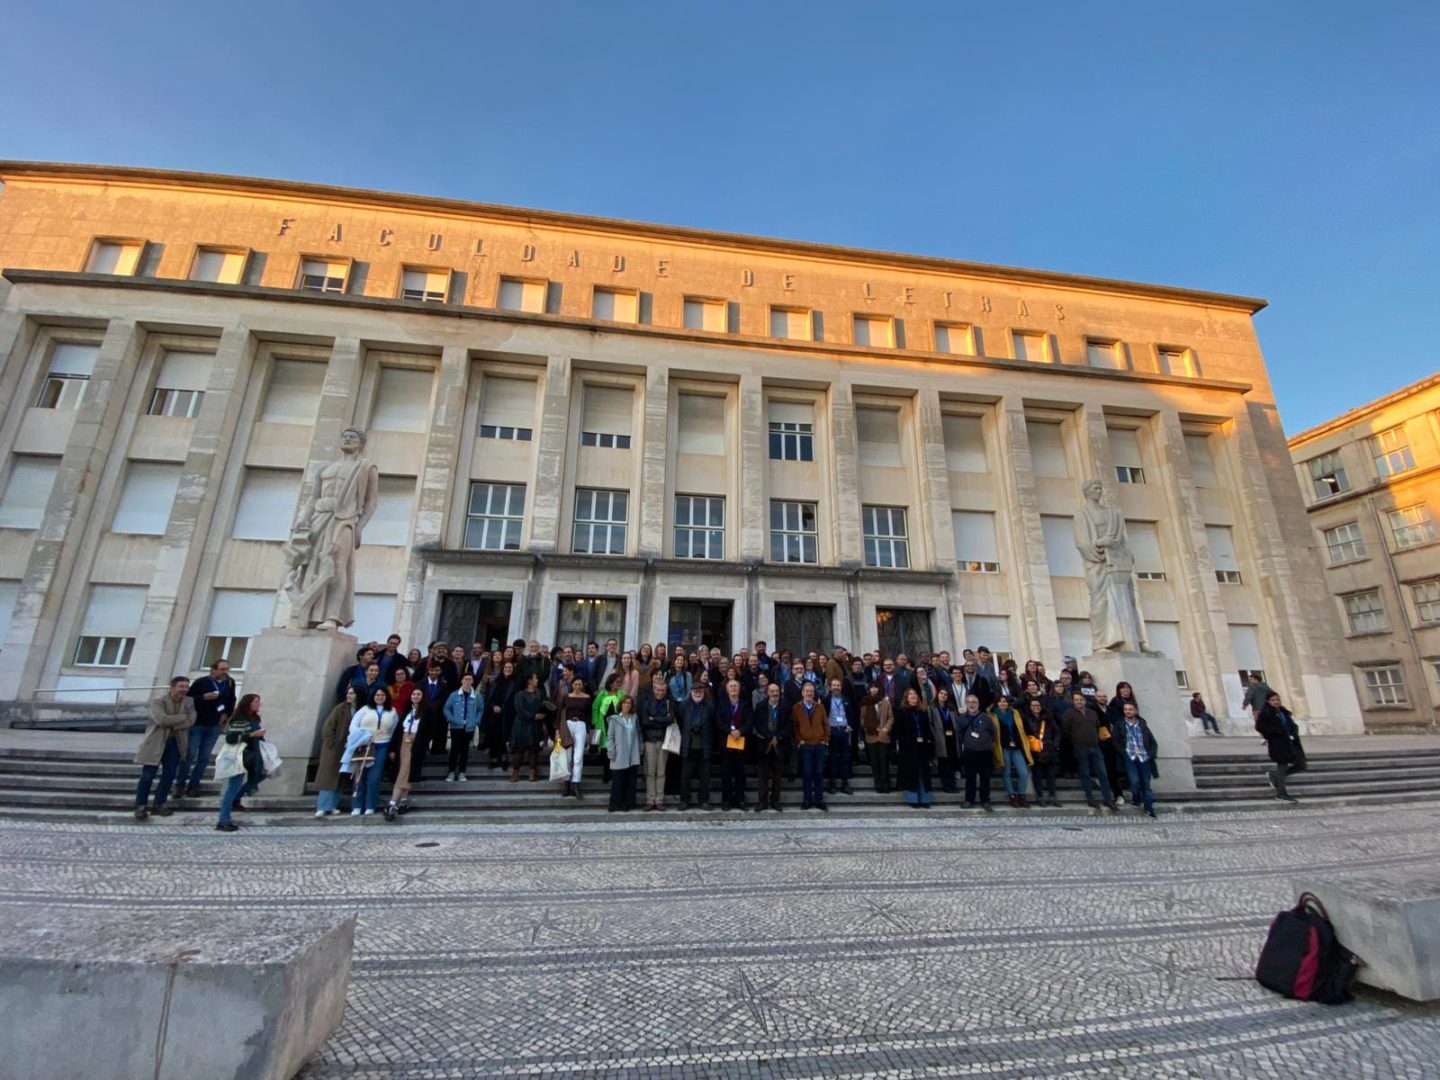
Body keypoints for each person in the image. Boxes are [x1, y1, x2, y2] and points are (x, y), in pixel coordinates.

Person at [134, 676, 195, 820]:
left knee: (169, 775)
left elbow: (191, 720)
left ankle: (159, 803)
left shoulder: (189, 701)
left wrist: (173, 721)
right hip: (156, 742)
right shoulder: (158, 702)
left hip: (176, 742)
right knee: (148, 776)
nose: (184, 689)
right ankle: (140, 805)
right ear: (172, 687)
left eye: (186, 686)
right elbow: (161, 719)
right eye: (181, 686)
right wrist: (181, 717)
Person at [180, 657, 236, 797]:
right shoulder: (201, 682)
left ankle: (194, 784)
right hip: (198, 722)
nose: (225, 672)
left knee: (204, 756)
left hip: (215, 723)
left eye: (226, 669)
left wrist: (226, 714)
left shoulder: (229, 683)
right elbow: (189, 700)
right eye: (222, 669)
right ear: (213, 669)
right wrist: (204, 697)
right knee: (190, 754)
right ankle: (180, 784)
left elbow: (231, 700)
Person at [1062, 691, 1118, 811]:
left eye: (1081, 699)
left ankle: (1107, 798)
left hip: (1095, 746)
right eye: (1076, 700)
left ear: (1085, 701)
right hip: (1080, 747)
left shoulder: (1092, 713)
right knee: (1085, 774)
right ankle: (1090, 798)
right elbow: (1065, 731)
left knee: (1102, 773)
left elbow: (1097, 727)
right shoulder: (1069, 714)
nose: (1079, 701)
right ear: (1073, 701)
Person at [215, 694, 264, 832]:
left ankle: (237, 797)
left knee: (262, 773)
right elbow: (231, 738)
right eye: (256, 702)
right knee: (233, 786)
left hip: (252, 753)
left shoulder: (254, 717)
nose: (258, 704)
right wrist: (252, 735)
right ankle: (223, 820)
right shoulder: (239, 718)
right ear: (248, 703)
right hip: (240, 755)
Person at [350, 687, 398, 816]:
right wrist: (360, 737)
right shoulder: (364, 710)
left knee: (374, 777)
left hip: (382, 745)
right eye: (377, 694)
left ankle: (370, 805)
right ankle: (357, 805)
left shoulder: (392, 711)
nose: (380, 697)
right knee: (359, 775)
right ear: (373, 696)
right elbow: (353, 725)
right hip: (364, 745)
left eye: (382, 695)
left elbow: (394, 730)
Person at [384, 686, 427, 821]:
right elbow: (398, 730)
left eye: (418, 694)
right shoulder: (407, 711)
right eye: (413, 694)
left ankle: (392, 802)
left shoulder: (427, 712)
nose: (415, 696)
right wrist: (392, 748)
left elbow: (428, 730)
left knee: (405, 771)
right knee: (404, 770)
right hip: (403, 741)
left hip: (416, 743)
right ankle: (402, 801)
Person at [314, 686, 356, 816]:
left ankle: (332, 804)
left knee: (340, 778)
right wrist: (330, 742)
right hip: (334, 747)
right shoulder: (340, 709)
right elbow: (328, 727)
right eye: (348, 693)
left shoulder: (357, 710)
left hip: (347, 748)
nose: (349, 695)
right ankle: (322, 806)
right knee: (328, 777)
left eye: (352, 693)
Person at [1255, 692, 1303, 803]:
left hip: (1290, 742)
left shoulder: (1283, 712)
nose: (1276, 702)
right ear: (1268, 701)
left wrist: (1293, 733)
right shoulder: (1266, 713)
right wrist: (1276, 733)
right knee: (1282, 767)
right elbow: (1260, 727)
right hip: (1278, 744)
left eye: (1277, 699)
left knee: (1301, 764)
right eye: (1273, 700)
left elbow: (1291, 724)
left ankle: (1274, 776)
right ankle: (1281, 793)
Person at [1115, 700, 1159, 818]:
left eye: (1130, 709)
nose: (1127, 711)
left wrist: (1151, 754)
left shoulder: (1142, 724)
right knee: (1134, 781)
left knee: (1146, 783)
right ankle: (1136, 797)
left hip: (1144, 757)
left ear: (1135, 711)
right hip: (1130, 756)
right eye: (1126, 709)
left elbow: (1152, 741)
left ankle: (1149, 808)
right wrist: (1123, 752)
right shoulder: (1120, 724)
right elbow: (1115, 741)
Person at [637, 676, 675, 811]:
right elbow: (645, 722)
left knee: (661, 772)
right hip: (650, 741)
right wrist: (661, 720)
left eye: (663, 690)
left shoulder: (669, 703)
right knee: (650, 772)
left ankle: (659, 800)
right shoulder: (647, 703)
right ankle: (650, 799)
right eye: (658, 690)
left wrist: (655, 719)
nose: (660, 693)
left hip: (664, 741)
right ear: (654, 690)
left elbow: (670, 719)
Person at [678, 683, 717, 809]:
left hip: (704, 745)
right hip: (688, 745)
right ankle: (685, 800)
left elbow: (713, 725)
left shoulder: (710, 706)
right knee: (685, 775)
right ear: (691, 692)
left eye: (700, 691)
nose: (697, 693)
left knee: (705, 776)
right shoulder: (684, 706)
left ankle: (704, 800)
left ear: (704, 692)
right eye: (695, 691)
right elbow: (679, 723)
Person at [894, 687, 934, 808]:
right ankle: (913, 799)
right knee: (912, 774)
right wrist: (905, 742)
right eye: (910, 696)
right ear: (906, 699)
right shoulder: (901, 712)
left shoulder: (922, 712)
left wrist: (928, 741)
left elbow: (927, 729)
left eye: (915, 696)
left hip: (923, 747)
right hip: (909, 748)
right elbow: (898, 731)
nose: (913, 698)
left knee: (923, 773)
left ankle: (925, 799)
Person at [792, 680, 829, 812]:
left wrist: (825, 739)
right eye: (807, 691)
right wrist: (799, 740)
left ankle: (819, 799)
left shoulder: (820, 707)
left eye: (811, 691)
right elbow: (795, 726)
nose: (809, 693)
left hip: (819, 744)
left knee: (818, 772)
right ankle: (807, 799)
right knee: (807, 772)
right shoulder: (796, 707)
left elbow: (826, 724)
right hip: (805, 744)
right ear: (802, 693)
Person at [752, 681, 789, 811]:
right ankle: (762, 801)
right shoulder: (760, 706)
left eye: (777, 691)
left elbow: (787, 726)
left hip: (780, 744)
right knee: (763, 776)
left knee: (778, 776)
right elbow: (758, 724)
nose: (775, 693)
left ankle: (775, 801)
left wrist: (777, 737)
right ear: (767, 692)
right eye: (772, 691)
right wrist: (770, 737)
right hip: (764, 745)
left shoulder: (785, 706)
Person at [958, 694, 998, 810]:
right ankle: (969, 800)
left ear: (978, 704)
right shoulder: (962, 718)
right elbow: (960, 734)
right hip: (970, 753)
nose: (972, 704)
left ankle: (985, 800)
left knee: (985, 778)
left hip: (984, 753)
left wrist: (986, 743)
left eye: (974, 702)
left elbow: (993, 734)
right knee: (970, 778)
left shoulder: (986, 718)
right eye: (969, 702)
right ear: (966, 704)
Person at [992, 696, 1032, 808]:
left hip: (1016, 746)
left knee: (1023, 772)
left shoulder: (1015, 713)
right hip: (1003, 747)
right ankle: (1012, 795)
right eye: (1000, 702)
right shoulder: (994, 715)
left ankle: (1021, 795)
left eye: (1004, 701)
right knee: (1007, 772)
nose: (1002, 703)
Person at [718, 679, 752, 810]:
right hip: (726, 742)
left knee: (740, 774)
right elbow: (718, 721)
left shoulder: (745, 704)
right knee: (726, 774)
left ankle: (740, 799)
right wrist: (730, 731)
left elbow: (749, 721)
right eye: (731, 686)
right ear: (727, 689)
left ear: (739, 689)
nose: (733, 688)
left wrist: (740, 731)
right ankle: (726, 800)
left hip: (741, 742)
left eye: (735, 686)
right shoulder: (721, 704)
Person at [509, 672, 547, 782]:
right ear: (529, 681)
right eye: (535, 678)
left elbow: (544, 704)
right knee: (519, 749)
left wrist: (544, 713)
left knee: (534, 749)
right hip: (522, 724)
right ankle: (515, 773)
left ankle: (532, 774)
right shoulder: (520, 694)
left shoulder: (539, 693)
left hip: (535, 725)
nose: (537, 680)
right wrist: (533, 716)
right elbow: (520, 710)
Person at [606, 694, 642, 812]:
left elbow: (639, 734)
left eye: (629, 703)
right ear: (621, 705)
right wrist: (611, 751)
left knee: (630, 780)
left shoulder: (634, 718)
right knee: (617, 780)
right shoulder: (614, 719)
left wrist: (640, 747)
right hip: (619, 753)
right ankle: (614, 803)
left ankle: (627, 803)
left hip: (632, 753)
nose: (627, 705)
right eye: (625, 703)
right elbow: (610, 737)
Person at [444, 672, 481, 781]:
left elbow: (480, 709)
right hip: (456, 726)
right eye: (466, 679)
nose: (468, 681)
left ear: (473, 681)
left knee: (465, 750)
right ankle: (451, 772)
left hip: (469, 727)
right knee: (454, 750)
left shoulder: (477, 696)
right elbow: (447, 708)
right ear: (461, 681)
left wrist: (476, 721)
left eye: (470, 679)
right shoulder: (454, 695)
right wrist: (451, 719)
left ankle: (462, 772)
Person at [1024, 696, 1061, 807]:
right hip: (1035, 751)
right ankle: (1040, 796)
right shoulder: (1027, 720)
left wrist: (1054, 745)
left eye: (1038, 705)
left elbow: (1057, 732)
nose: (1036, 707)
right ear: (1030, 707)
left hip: (1048, 749)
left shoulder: (1048, 719)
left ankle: (1052, 796)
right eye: (1034, 706)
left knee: (1050, 775)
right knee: (1037, 775)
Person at [561, 677, 592, 798]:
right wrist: (558, 730)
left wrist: (589, 731)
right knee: (567, 756)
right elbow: (560, 713)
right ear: (572, 684)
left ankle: (576, 784)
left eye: (579, 684)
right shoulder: (566, 697)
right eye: (575, 684)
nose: (577, 686)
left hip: (581, 725)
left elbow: (589, 715)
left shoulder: (587, 697)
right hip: (568, 725)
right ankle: (566, 784)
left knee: (578, 757)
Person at [485, 660, 518, 770]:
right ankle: (493, 758)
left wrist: (503, 708)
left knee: (503, 736)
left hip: (507, 713)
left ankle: (504, 758)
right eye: (506, 668)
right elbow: (489, 697)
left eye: (510, 668)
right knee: (493, 735)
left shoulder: (515, 683)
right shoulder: (495, 682)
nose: (507, 669)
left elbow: (514, 700)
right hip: (494, 713)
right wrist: (493, 706)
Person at [823, 677, 854, 796]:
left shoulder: (846, 699)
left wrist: (849, 725)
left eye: (838, 685)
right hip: (832, 731)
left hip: (844, 731)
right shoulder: (826, 700)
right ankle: (832, 783)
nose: (836, 687)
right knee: (833, 758)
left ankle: (845, 783)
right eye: (834, 685)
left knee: (845, 758)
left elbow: (852, 714)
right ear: (830, 687)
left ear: (841, 687)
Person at [860, 685, 893, 794]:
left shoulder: (885, 702)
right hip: (871, 735)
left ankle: (886, 783)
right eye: (871, 687)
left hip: (883, 735)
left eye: (876, 687)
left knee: (884, 761)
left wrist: (885, 729)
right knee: (874, 762)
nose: (874, 689)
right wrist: (867, 728)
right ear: (869, 689)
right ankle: (878, 783)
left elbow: (890, 717)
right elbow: (862, 718)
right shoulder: (865, 702)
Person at [930, 685, 961, 793]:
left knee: (952, 763)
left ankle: (952, 785)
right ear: (937, 695)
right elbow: (930, 724)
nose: (943, 696)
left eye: (945, 694)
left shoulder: (951, 708)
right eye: (941, 694)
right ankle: (946, 785)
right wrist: (934, 736)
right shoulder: (932, 707)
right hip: (940, 739)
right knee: (943, 764)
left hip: (952, 738)